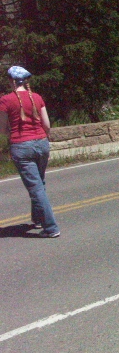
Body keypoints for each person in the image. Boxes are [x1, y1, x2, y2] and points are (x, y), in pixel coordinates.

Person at [0, 66, 60, 238]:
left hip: (21, 146)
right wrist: (41, 138)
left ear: (11, 81)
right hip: (41, 143)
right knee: (39, 183)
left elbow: (2, 129)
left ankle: (51, 228)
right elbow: (46, 124)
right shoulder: (37, 97)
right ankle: (39, 218)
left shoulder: (6, 100)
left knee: (36, 188)